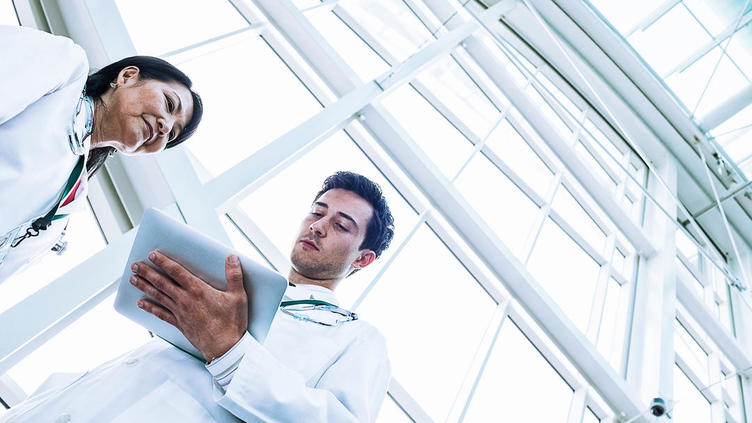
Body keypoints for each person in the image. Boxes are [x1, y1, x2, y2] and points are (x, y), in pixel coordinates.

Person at [2, 171, 396, 422]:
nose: (319, 227)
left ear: (363, 259)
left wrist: (230, 354)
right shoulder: (234, 283)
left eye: (341, 225)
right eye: (317, 212)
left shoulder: (358, 340)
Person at [0, 24, 204, 283]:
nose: (165, 126)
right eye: (169, 103)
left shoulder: (70, 200)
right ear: (127, 76)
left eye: (172, 134)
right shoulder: (65, 64)